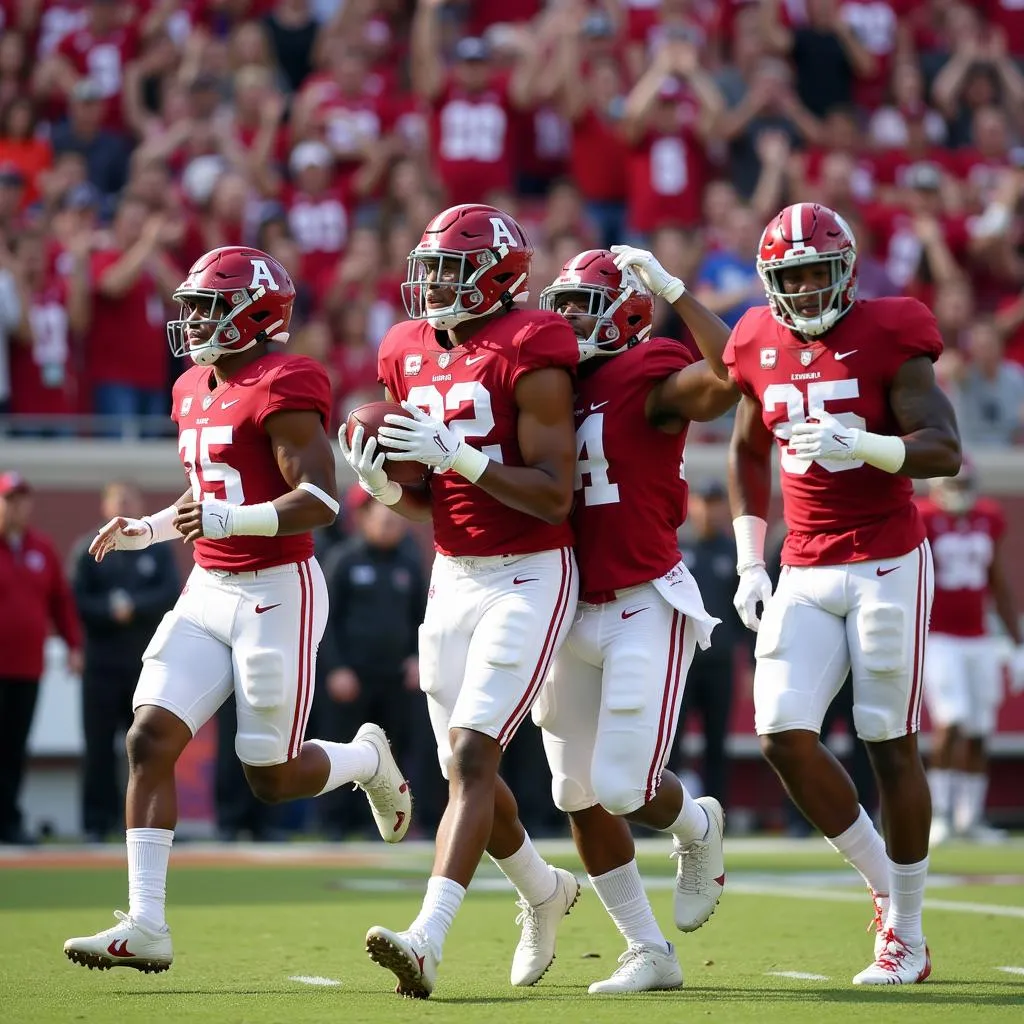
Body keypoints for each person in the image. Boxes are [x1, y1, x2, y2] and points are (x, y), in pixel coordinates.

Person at [64, 245, 412, 974]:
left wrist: (226, 523)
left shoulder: (285, 380)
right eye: (189, 307)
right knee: (147, 739)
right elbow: (208, 496)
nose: (192, 322)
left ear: (255, 317)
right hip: (208, 588)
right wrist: (150, 529)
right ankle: (146, 924)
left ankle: (364, 759)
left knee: (271, 778)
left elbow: (317, 500)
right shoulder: (192, 385)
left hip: (275, 593)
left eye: (207, 309)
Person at [341, 203, 579, 998]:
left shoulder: (533, 342)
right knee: (459, 765)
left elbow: (553, 496)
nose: (435, 284)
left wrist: (461, 459)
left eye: (452, 269)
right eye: (431, 267)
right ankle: (546, 892)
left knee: (476, 755)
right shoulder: (405, 349)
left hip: (530, 570)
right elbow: (430, 504)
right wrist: (385, 487)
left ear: (499, 276)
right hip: (453, 571)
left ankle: (429, 937)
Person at [724, 203, 961, 986]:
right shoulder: (757, 336)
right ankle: (886, 888)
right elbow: (745, 450)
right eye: (787, 276)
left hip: (887, 558)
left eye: (814, 273)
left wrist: (862, 442)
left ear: (846, 271)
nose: (801, 288)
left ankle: (910, 932)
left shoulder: (893, 328)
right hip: (804, 563)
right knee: (780, 730)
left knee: (886, 739)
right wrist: (749, 561)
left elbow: (944, 449)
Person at [535, 245, 737, 993]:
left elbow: (729, 376)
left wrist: (679, 292)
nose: (564, 320)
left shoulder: (646, 370)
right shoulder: (547, 382)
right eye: (559, 303)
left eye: (581, 306)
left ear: (624, 315)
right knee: (573, 795)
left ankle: (699, 827)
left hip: (641, 600)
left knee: (622, 785)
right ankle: (647, 948)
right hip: (562, 607)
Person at [916, 459, 1024, 844]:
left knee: (979, 730)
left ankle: (969, 817)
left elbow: (998, 581)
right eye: (955, 482)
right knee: (953, 721)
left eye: (966, 483)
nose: (961, 490)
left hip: (979, 637)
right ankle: (941, 814)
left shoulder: (988, 517)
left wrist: (1017, 641)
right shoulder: (923, 516)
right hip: (940, 637)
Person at [70, 481, 181, 842]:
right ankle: (95, 823)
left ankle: (142, 823)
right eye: (118, 501)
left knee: (146, 746)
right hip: (101, 665)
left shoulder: (156, 550)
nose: (124, 506)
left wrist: (134, 606)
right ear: (105, 508)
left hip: (143, 664)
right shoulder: (89, 549)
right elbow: (77, 601)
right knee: (98, 746)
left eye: (130, 500)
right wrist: (108, 610)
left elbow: (169, 593)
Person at [317, 486, 429, 838]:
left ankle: (377, 823)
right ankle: (335, 823)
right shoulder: (342, 560)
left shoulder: (409, 564)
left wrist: (417, 658)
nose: (390, 525)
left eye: (396, 520)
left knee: (391, 755)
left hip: (395, 679)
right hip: (352, 678)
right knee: (344, 749)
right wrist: (335, 669)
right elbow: (325, 621)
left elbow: (422, 619)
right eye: (382, 519)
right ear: (363, 519)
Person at [0, 471, 83, 845]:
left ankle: (9, 821)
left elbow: (60, 603)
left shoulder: (41, 547)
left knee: (15, 747)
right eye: (10, 500)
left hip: (26, 668)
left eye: (22, 499)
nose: (18, 507)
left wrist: (73, 645)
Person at [675, 480, 750, 809]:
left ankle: (718, 811)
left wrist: (748, 663)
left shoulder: (734, 554)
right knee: (670, 741)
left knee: (717, 741)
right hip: (683, 662)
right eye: (703, 503)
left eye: (716, 503)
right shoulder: (676, 548)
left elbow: (746, 615)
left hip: (720, 662)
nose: (709, 511)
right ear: (692, 506)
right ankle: (667, 812)